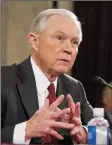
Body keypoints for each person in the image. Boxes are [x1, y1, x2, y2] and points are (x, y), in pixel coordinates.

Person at [1, 9, 93, 145]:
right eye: (59, 38)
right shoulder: (4, 79)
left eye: (75, 42)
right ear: (34, 41)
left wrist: (84, 134)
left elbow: (103, 131)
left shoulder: (74, 87)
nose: (69, 49)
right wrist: (25, 130)